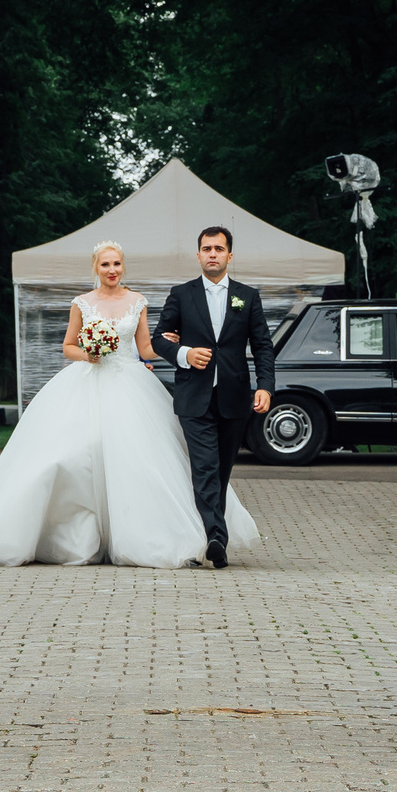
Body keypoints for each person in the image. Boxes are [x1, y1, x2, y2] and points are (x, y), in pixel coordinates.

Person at [0, 241, 259, 567]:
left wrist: (170, 344)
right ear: (96, 267)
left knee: (140, 459)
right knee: (73, 456)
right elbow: (68, 346)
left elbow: (145, 348)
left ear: (123, 267)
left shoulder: (137, 301)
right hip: (87, 381)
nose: (112, 271)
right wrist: (89, 353)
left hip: (129, 382)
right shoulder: (82, 303)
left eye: (117, 265)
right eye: (106, 265)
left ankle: (152, 534)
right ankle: (73, 534)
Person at [151, 227, 276, 569]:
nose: (212, 254)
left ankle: (206, 532)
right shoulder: (181, 294)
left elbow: (263, 346)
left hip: (235, 398)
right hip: (195, 398)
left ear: (229, 256)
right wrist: (185, 353)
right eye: (206, 248)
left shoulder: (247, 297)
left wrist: (265, 386)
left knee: (220, 471)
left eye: (218, 249)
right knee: (204, 467)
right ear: (198, 255)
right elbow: (158, 339)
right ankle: (216, 538)